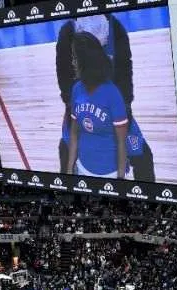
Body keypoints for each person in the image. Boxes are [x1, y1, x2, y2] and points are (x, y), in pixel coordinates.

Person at [56, 15, 155, 181]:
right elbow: (63, 72)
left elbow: (125, 69)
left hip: (113, 108)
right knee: (66, 151)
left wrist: (125, 107)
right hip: (81, 110)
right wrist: (70, 104)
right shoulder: (67, 32)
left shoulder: (115, 27)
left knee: (143, 157)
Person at [64, 31, 130, 179]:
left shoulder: (112, 93)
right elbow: (74, 133)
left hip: (110, 174)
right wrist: (69, 170)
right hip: (82, 169)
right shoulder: (76, 89)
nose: (73, 63)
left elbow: (122, 143)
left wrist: (120, 180)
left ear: (87, 61)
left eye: (75, 58)